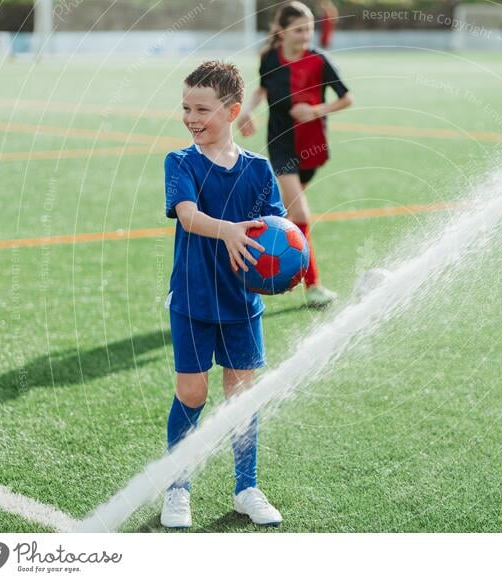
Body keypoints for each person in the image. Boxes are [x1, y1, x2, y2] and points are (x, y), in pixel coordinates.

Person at [161, 60, 287, 529]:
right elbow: (189, 215)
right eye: (186, 108)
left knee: (241, 397)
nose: (192, 118)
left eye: (202, 109)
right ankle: (177, 489)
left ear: (233, 111)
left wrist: (280, 265)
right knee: (192, 393)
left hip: (241, 304)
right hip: (193, 300)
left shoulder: (258, 170)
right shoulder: (181, 162)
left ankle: (246, 487)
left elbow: (276, 230)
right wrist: (229, 231)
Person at [236, 1, 353, 309]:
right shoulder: (269, 59)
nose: (305, 36)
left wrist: (315, 110)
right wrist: (247, 111)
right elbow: (263, 88)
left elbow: (347, 98)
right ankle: (312, 285)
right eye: (299, 30)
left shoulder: (319, 61)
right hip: (281, 146)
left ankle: (258, 271)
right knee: (299, 215)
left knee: (286, 214)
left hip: (313, 149)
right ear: (282, 30)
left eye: (309, 29)